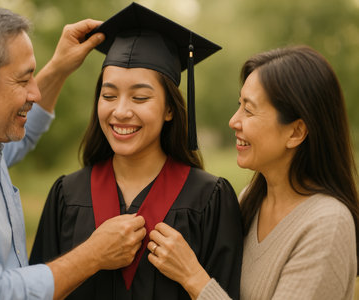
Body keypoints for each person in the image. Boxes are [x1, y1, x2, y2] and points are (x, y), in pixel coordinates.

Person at [0, 4, 147, 300]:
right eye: (23, 80)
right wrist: (93, 254)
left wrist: (59, 67)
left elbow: (24, 133)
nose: (34, 93)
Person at [29, 3, 243, 300]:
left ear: (169, 108)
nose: (121, 111)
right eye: (109, 95)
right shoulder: (67, 196)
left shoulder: (209, 200)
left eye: (140, 97)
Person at [147, 45, 359, 299]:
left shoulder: (326, 224)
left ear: (296, 132)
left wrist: (194, 277)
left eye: (249, 109)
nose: (234, 121)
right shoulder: (250, 199)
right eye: (239, 105)